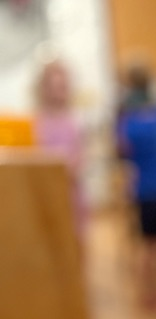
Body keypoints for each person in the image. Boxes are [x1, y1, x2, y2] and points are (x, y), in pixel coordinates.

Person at [116, 63, 156, 307]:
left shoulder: (128, 122)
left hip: (144, 189)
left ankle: (149, 294)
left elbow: (124, 152)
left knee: (148, 246)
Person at [33, 56, 86, 241]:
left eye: (63, 86)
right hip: (47, 200)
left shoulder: (75, 121)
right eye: (56, 87)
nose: (60, 92)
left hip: (73, 196)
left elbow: (81, 158)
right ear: (44, 89)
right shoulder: (36, 123)